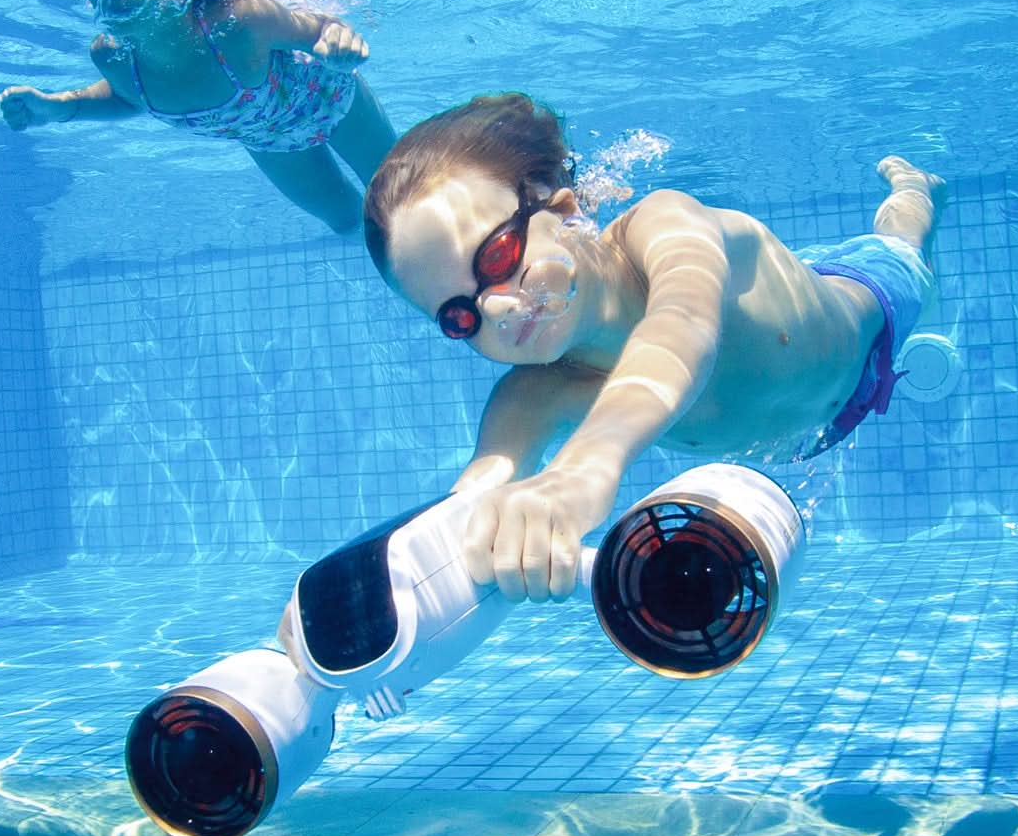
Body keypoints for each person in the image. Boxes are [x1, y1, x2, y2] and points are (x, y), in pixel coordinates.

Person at [362, 93, 941, 601]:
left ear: (562, 210)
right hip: (808, 424)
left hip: (870, 310)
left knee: (904, 245)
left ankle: (912, 192)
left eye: (497, 258)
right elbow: (469, 498)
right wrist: (362, 591)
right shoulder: (537, 395)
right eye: (459, 316)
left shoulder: (663, 224)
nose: (494, 309)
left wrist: (583, 471)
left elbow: (681, 328)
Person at [0, 0, 396, 234]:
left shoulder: (238, 23)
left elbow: (317, 27)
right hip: (268, 139)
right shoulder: (112, 55)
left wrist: (339, 39)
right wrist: (58, 107)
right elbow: (127, 98)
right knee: (345, 222)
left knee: (399, 196)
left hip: (328, 96)